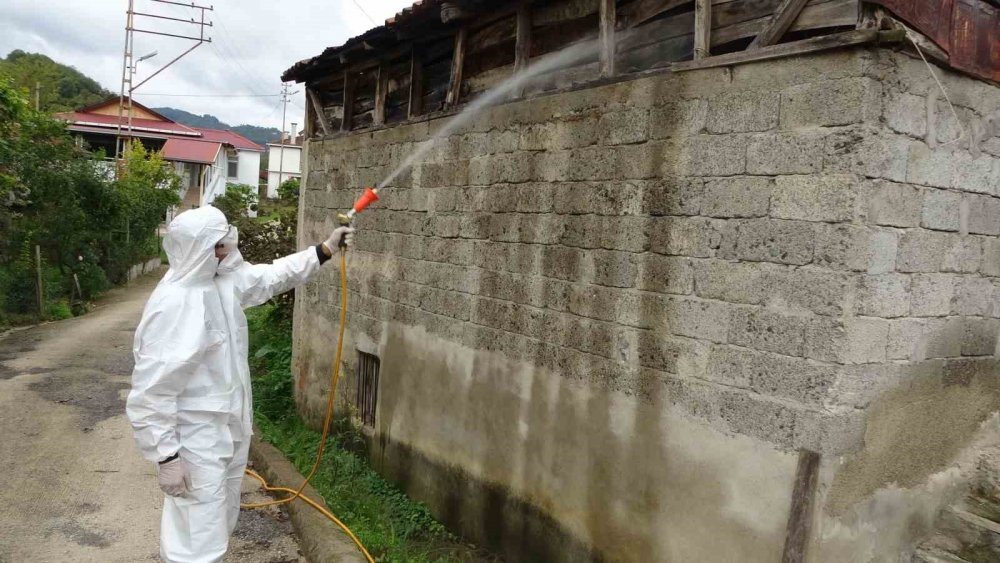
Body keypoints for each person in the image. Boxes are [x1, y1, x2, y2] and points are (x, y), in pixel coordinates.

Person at [126, 205, 352, 563]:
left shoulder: (222, 281)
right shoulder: (175, 303)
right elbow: (152, 392)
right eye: (216, 247)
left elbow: (272, 276)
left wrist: (323, 250)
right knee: (197, 537)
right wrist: (166, 454)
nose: (224, 252)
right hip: (195, 437)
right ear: (193, 249)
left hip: (228, 430)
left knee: (218, 522)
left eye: (224, 244)